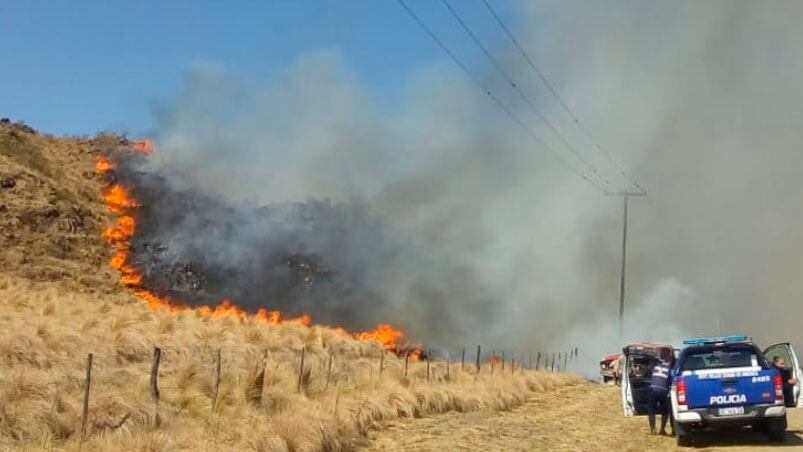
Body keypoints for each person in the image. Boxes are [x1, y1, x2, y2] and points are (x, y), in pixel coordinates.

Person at [648, 356, 673, 435]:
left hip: (653, 389)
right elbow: (670, 381)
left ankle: (653, 430)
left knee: (651, 410)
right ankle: (662, 429)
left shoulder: (655, 367)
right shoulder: (669, 369)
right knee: (665, 411)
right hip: (663, 390)